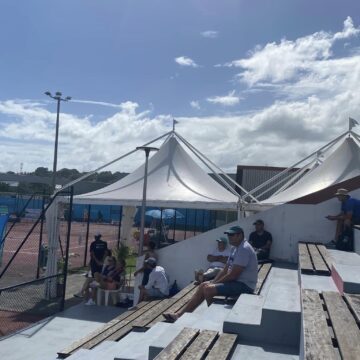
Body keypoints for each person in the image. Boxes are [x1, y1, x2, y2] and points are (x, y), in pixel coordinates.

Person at [163, 225, 258, 322]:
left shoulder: (244, 249)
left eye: (231, 235)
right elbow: (225, 270)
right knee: (203, 285)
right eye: (228, 235)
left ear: (240, 235)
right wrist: (214, 281)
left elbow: (233, 275)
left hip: (245, 286)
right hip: (236, 283)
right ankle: (179, 315)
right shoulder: (235, 248)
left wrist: (214, 283)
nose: (229, 237)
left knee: (209, 289)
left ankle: (212, 321)